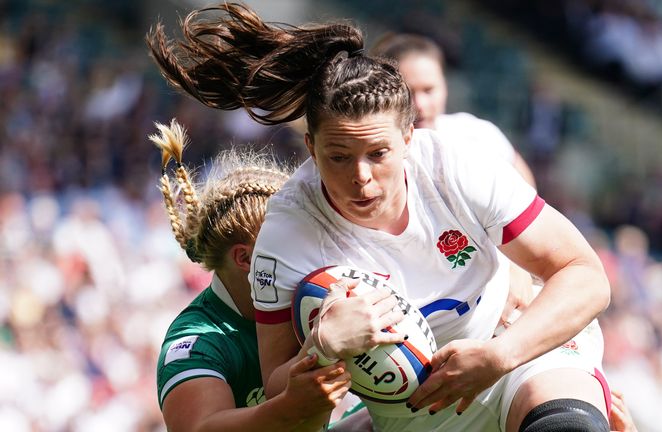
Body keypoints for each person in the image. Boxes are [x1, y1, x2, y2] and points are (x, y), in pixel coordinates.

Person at [147, 4, 611, 432]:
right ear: (310, 148)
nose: (361, 178)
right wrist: (323, 348)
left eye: (378, 153)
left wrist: (499, 354)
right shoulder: (288, 235)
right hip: (416, 412)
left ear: (409, 138)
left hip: (513, 349)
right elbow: (279, 387)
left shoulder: (459, 163)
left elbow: (585, 275)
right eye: (339, 156)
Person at [150, 119, 401, 431]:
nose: (303, 257)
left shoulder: (310, 299)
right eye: (285, 246)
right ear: (244, 258)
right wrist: (291, 404)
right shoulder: (198, 341)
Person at [370, 32, 536, 188]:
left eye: (429, 90)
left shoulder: (477, 133)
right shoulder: (371, 156)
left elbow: (526, 188)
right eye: (408, 93)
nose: (420, 104)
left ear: (445, 85)